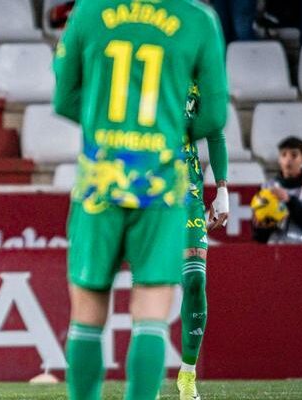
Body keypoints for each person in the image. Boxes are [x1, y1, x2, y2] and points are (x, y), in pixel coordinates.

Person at [53, 1, 228, 399]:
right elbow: (214, 117)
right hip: (162, 186)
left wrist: (113, 125)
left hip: (101, 181)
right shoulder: (198, 20)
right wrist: (161, 131)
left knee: (87, 316)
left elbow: (63, 98)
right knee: (150, 312)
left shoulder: (89, 13)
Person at [177, 83, 230, 400]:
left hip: (188, 192)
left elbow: (214, 130)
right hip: (143, 188)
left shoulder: (196, 76)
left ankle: (187, 375)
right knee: (147, 282)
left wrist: (222, 189)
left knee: (195, 279)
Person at [252, 137, 302, 244]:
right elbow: (259, 238)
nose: (288, 160)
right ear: (279, 159)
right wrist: (261, 227)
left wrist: (289, 201)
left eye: (294, 155)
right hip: (275, 251)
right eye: (284, 155)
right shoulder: (266, 188)